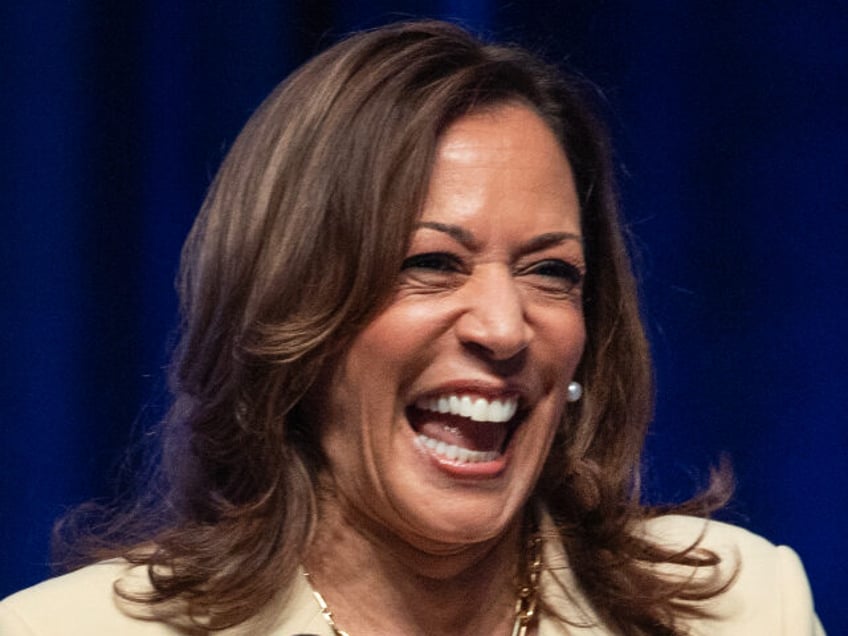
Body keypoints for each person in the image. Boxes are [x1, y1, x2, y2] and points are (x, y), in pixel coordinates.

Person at [0, 19, 824, 636]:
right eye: (431, 263)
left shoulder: (745, 608)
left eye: (551, 272)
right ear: (294, 314)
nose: (505, 328)